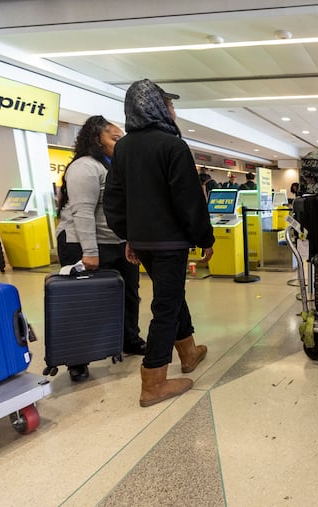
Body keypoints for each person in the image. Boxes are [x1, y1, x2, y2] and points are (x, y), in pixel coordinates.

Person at [103, 78, 214, 408]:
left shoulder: (123, 148)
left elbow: (114, 199)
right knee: (165, 306)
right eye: (170, 105)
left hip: (142, 242)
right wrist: (204, 238)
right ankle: (153, 381)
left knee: (171, 294)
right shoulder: (172, 146)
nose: (174, 111)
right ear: (157, 108)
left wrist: (129, 235)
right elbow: (188, 200)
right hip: (170, 243)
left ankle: (189, 351)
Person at [55, 115, 146, 382]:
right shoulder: (85, 167)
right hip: (84, 245)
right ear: (97, 140)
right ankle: (78, 358)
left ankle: (130, 340)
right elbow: (83, 213)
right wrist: (90, 252)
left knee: (130, 293)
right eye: (114, 139)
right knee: (85, 301)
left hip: (116, 243)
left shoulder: (115, 167)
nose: (120, 144)